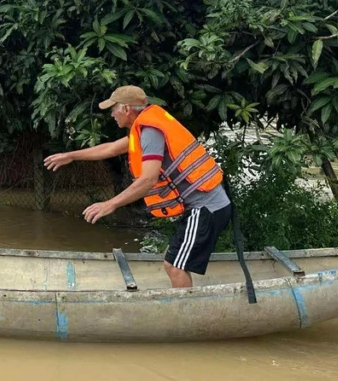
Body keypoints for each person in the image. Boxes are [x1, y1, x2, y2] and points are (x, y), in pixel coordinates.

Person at [43, 85, 231, 288]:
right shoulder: (144, 127)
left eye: (113, 109)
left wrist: (111, 204)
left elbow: (148, 180)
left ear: (126, 109)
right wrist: (70, 156)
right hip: (204, 206)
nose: (112, 114)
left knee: (174, 266)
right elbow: (111, 148)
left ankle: (186, 314)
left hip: (206, 208)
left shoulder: (150, 132)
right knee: (173, 261)